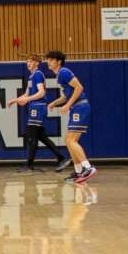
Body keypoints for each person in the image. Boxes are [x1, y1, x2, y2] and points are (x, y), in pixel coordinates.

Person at [9, 55, 71, 174]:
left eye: (31, 61)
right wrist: (14, 100)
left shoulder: (38, 74)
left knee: (32, 136)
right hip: (34, 106)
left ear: (37, 63)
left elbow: (42, 93)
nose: (28, 63)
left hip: (38, 107)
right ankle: (61, 158)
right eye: (27, 62)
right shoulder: (31, 76)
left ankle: (30, 165)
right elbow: (26, 94)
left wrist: (27, 100)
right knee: (40, 136)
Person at [46, 51, 97, 184]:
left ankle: (88, 167)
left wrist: (68, 105)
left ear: (58, 61)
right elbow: (67, 95)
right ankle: (78, 171)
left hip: (80, 107)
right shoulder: (59, 75)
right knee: (69, 140)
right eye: (48, 59)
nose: (48, 62)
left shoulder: (64, 72)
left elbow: (79, 87)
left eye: (51, 59)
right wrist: (55, 103)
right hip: (76, 107)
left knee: (71, 140)